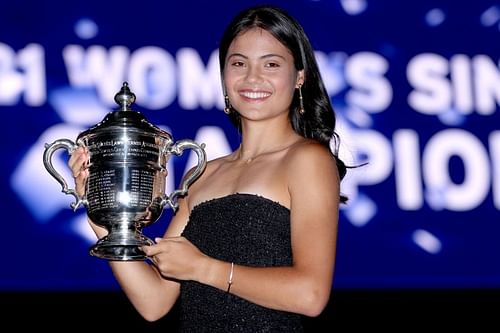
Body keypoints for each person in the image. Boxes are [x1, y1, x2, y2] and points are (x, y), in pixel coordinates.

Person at [69, 4, 349, 332]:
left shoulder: (307, 159)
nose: (252, 78)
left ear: (299, 76)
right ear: (223, 75)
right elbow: (154, 302)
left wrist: (204, 268)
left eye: (271, 64)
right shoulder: (203, 173)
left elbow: (310, 294)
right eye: (238, 64)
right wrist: (101, 213)